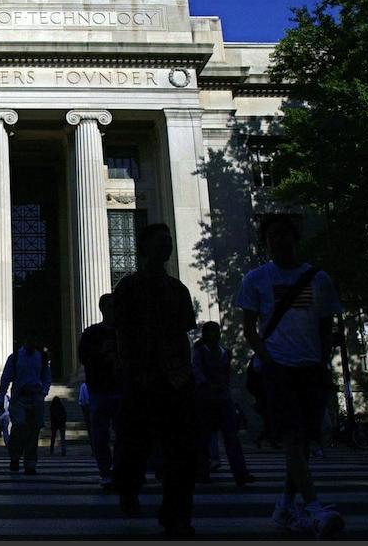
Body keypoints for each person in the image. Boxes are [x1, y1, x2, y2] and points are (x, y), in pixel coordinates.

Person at [237, 214, 344, 539]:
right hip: (278, 368)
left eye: (284, 234)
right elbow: (249, 328)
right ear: (265, 243)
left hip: (310, 367)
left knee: (304, 440)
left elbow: (326, 325)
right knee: (293, 438)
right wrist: (268, 359)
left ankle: (284, 505)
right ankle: (315, 508)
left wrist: (322, 361)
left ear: (295, 238)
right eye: (272, 236)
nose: (279, 240)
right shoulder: (256, 279)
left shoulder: (318, 279)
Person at [111, 223, 197, 538]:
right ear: (144, 248)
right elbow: (120, 333)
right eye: (161, 240)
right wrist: (129, 371)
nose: (168, 245)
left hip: (174, 380)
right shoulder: (129, 287)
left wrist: (185, 375)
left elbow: (184, 335)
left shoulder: (178, 290)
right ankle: (128, 488)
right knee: (133, 446)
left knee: (180, 452)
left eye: (169, 240)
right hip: (140, 378)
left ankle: (177, 516)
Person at [192, 321, 255, 486]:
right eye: (210, 332)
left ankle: (240, 473)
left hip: (222, 399)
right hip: (206, 400)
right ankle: (202, 472)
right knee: (204, 438)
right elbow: (196, 372)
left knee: (231, 437)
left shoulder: (225, 352)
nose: (214, 335)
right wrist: (207, 385)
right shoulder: (200, 352)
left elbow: (226, 376)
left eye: (216, 331)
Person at [77, 293, 123, 488]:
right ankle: (105, 471)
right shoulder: (92, 333)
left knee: (124, 433)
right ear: (102, 309)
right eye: (110, 306)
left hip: (122, 388)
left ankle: (121, 469)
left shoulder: (126, 332)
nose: (114, 310)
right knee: (100, 434)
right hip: (100, 389)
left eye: (115, 306)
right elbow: (83, 358)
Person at [0, 338, 52, 475]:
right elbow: (5, 378)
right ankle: (15, 456)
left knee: (34, 431)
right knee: (19, 426)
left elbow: (47, 377)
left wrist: (43, 392)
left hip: (36, 397)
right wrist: (1, 396)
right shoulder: (15, 357)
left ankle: (30, 463)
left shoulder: (41, 358)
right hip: (19, 397)